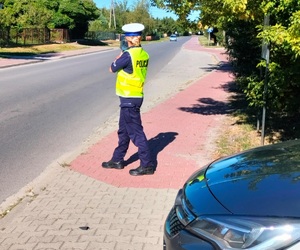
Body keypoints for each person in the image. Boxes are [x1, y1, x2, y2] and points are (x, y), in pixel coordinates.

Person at [102, 23, 154, 176]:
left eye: (125, 37)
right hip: (135, 96)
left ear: (129, 39)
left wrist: (121, 54)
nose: (124, 39)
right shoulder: (143, 54)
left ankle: (147, 165)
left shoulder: (127, 55)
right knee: (123, 131)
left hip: (129, 98)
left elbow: (112, 68)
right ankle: (117, 160)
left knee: (136, 133)